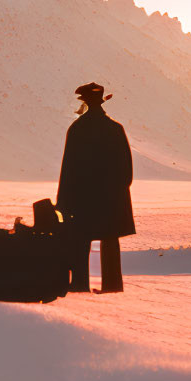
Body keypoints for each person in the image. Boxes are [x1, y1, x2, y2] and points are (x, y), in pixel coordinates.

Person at [57, 82, 135, 293]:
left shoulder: (77, 129)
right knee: (110, 240)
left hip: (83, 200)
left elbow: (68, 169)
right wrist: (117, 192)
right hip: (112, 199)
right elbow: (127, 170)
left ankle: (80, 284)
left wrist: (63, 202)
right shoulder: (115, 129)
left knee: (81, 240)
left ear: (83, 102)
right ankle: (113, 286)